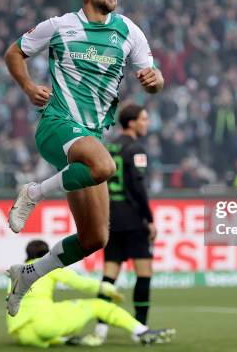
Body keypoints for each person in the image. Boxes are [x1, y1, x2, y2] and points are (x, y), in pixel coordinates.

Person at [3, 0, 164, 316]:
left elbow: (154, 76)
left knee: (95, 239)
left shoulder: (128, 31)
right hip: (57, 125)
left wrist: (155, 80)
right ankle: (33, 193)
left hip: (88, 140)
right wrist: (29, 86)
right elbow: (14, 52)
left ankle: (28, 274)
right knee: (104, 165)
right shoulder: (60, 26)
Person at [6, 240, 175, 347]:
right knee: (99, 305)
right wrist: (108, 289)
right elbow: (81, 283)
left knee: (48, 314)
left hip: (23, 334)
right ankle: (141, 331)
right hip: (45, 324)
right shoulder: (46, 265)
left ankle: (64, 340)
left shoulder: (17, 274)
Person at [94, 104, 156, 341]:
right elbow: (139, 187)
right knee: (144, 272)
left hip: (110, 218)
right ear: (131, 122)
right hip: (132, 219)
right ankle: (140, 328)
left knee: (109, 274)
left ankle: (100, 329)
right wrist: (149, 220)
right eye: (144, 119)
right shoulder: (136, 149)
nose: (146, 123)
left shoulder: (107, 147)